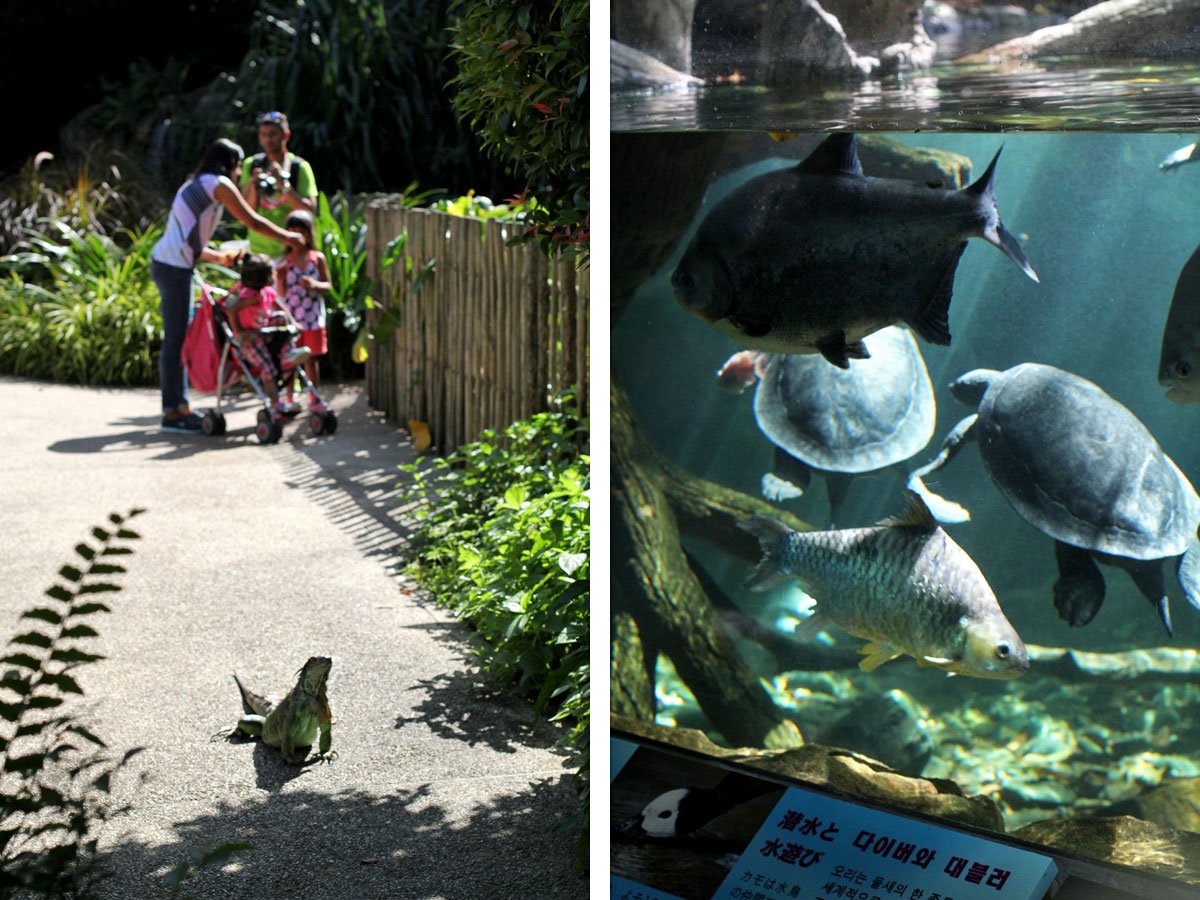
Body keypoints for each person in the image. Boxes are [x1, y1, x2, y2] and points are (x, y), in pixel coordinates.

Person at [150, 138, 304, 434]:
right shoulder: (217, 183)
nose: (238, 175)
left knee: (177, 337)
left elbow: (183, 236)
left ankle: (178, 407)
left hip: (169, 262)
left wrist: (217, 257)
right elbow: (253, 220)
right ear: (232, 165)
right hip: (173, 268)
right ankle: (173, 413)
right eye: (238, 169)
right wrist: (289, 237)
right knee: (175, 340)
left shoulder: (194, 185)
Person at [223, 253, 310, 413]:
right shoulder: (251, 297)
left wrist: (293, 323)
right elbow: (230, 309)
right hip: (250, 341)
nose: (275, 275)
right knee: (268, 369)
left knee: (281, 318)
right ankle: (276, 404)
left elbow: (281, 308)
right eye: (272, 272)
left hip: (263, 335)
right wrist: (239, 332)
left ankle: (288, 354)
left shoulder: (267, 292)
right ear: (264, 277)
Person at [240, 111, 318, 259]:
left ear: (286, 135)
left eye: (273, 134)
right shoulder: (251, 165)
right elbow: (246, 212)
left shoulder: (299, 167)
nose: (268, 139)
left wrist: (284, 185)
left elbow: (309, 211)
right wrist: (253, 186)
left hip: (292, 250)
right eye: (263, 134)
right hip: (258, 251)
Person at [275, 210, 331, 413]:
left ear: (309, 234)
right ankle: (289, 398)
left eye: (301, 232)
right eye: (293, 232)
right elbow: (280, 294)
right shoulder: (283, 263)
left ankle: (314, 398)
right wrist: (280, 278)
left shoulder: (318, 259)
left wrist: (314, 283)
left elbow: (328, 286)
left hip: (313, 318)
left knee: (310, 358)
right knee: (291, 359)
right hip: (292, 321)